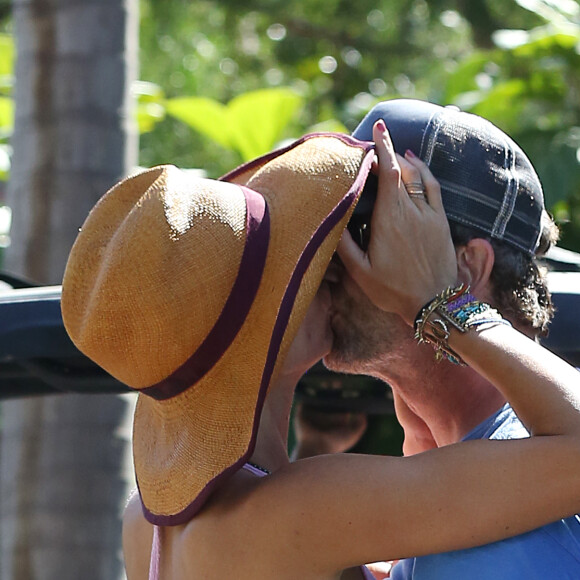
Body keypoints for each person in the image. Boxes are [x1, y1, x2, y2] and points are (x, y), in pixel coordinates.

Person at [60, 127, 580, 580]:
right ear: (264, 331)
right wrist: (441, 302)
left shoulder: (144, 525)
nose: (328, 271)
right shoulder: (305, 511)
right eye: (297, 265)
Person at [322, 98, 580, 578]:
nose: (332, 260)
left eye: (361, 228)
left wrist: (439, 302)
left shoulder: (538, 493)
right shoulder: (474, 492)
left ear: (466, 268)